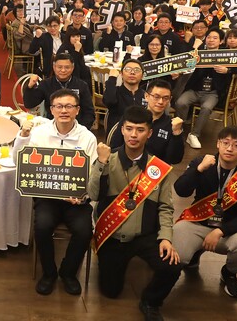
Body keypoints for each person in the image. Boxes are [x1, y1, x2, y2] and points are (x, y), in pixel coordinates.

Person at [87, 106, 181, 321]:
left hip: (145, 236)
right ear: (122, 129)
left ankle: (150, 301)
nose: (133, 135)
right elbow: (93, 194)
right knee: (110, 291)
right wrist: (100, 163)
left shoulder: (159, 168)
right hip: (113, 234)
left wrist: (166, 238)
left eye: (140, 130)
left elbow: (166, 207)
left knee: (172, 267)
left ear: (149, 133)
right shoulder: (107, 159)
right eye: (129, 129)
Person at [12, 89, 98, 296]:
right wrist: (23, 136)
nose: (64, 111)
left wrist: (83, 196)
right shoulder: (39, 133)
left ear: (77, 110)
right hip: (47, 197)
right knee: (42, 226)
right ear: (51, 110)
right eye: (59, 106)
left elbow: (93, 174)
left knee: (84, 231)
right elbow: (19, 161)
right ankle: (49, 273)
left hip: (76, 199)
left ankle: (68, 272)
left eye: (69, 106)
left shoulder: (87, 137)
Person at [172, 126, 237, 299]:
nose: (229, 148)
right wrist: (198, 170)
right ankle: (194, 253)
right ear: (218, 144)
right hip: (197, 223)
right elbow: (181, 190)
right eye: (225, 143)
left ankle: (229, 273)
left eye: (236, 145)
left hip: (228, 232)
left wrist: (221, 231)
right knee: (175, 253)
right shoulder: (203, 162)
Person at [175, 29, 231, 149]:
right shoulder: (198, 53)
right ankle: (180, 127)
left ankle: (194, 134)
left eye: (215, 38)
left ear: (221, 41)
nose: (211, 40)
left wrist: (227, 71)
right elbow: (184, 62)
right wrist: (194, 50)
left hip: (212, 93)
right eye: (209, 37)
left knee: (206, 108)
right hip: (195, 90)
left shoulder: (225, 56)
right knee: (180, 102)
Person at [109, 79, 185, 165]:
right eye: (156, 97)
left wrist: (177, 134)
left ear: (170, 99)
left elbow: (175, 160)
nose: (161, 102)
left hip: (156, 169)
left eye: (165, 98)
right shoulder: (132, 115)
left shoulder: (172, 124)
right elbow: (114, 146)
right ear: (146, 96)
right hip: (127, 164)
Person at [24, 53, 95, 128]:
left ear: (72, 68)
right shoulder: (46, 84)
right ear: (54, 67)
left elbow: (89, 112)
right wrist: (30, 87)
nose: (63, 70)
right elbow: (29, 104)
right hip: (51, 126)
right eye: (59, 67)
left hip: (76, 126)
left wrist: (81, 129)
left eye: (67, 67)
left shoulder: (81, 85)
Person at [103, 59, 146, 132]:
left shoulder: (146, 95)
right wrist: (112, 78)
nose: (132, 72)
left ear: (142, 75)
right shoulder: (115, 92)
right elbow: (109, 101)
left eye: (137, 70)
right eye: (128, 69)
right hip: (117, 133)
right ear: (121, 74)